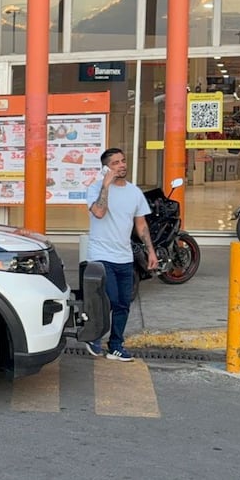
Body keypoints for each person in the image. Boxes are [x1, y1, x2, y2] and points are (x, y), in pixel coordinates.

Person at [83, 148, 156, 362]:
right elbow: (99, 212)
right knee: (108, 300)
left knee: (123, 303)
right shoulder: (95, 189)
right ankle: (94, 337)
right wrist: (106, 184)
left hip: (124, 257)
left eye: (123, 161)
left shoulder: (134, 192)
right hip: (100, 255)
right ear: (106, 167)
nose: (121, 165)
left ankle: (116, 345)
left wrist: (151, 251)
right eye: (115, 163)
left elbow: (141, 225)